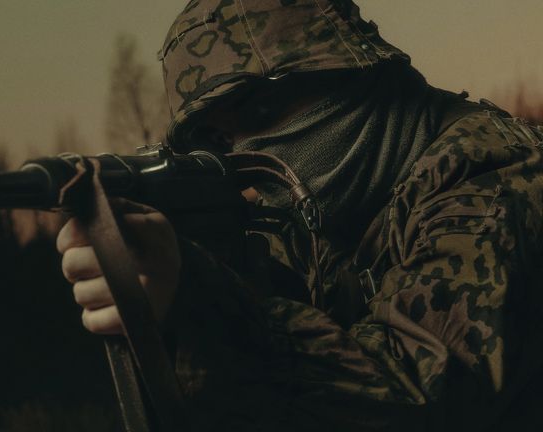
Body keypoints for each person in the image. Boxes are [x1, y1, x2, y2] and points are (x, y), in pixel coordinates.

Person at [57, 0, 543, 430]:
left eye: (265, 108)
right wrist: (168, 311)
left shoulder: (495, 176)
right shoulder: (314, 216)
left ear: (357, 71)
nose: (248, 151)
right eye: (220, 141)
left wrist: (200, 299)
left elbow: (416, 399)